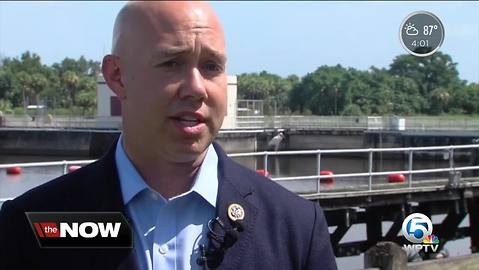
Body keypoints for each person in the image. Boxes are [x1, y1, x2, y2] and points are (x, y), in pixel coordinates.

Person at [0, 2, 337, 270]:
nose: (196, 88)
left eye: (211, 67)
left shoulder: (296, 228)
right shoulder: (35, 225)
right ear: (117, 76)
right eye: (171, 63)